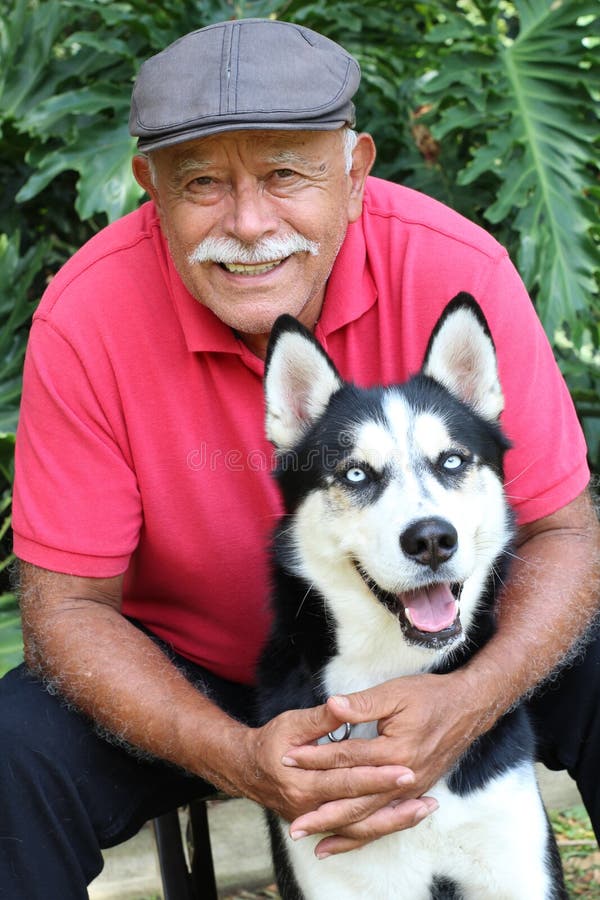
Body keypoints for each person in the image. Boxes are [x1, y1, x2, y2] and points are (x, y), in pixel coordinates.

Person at [2, 17, 599, 898]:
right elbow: (67, 608)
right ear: (149, 187)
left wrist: (472, 698)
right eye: (202, 183)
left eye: (286, 174)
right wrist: (234, 753)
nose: (249, 224)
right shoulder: (86, 318)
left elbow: (563, 531)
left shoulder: (452, 264)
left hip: (458, 633)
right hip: (197, 678)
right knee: (11, 755)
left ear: (354, 174)